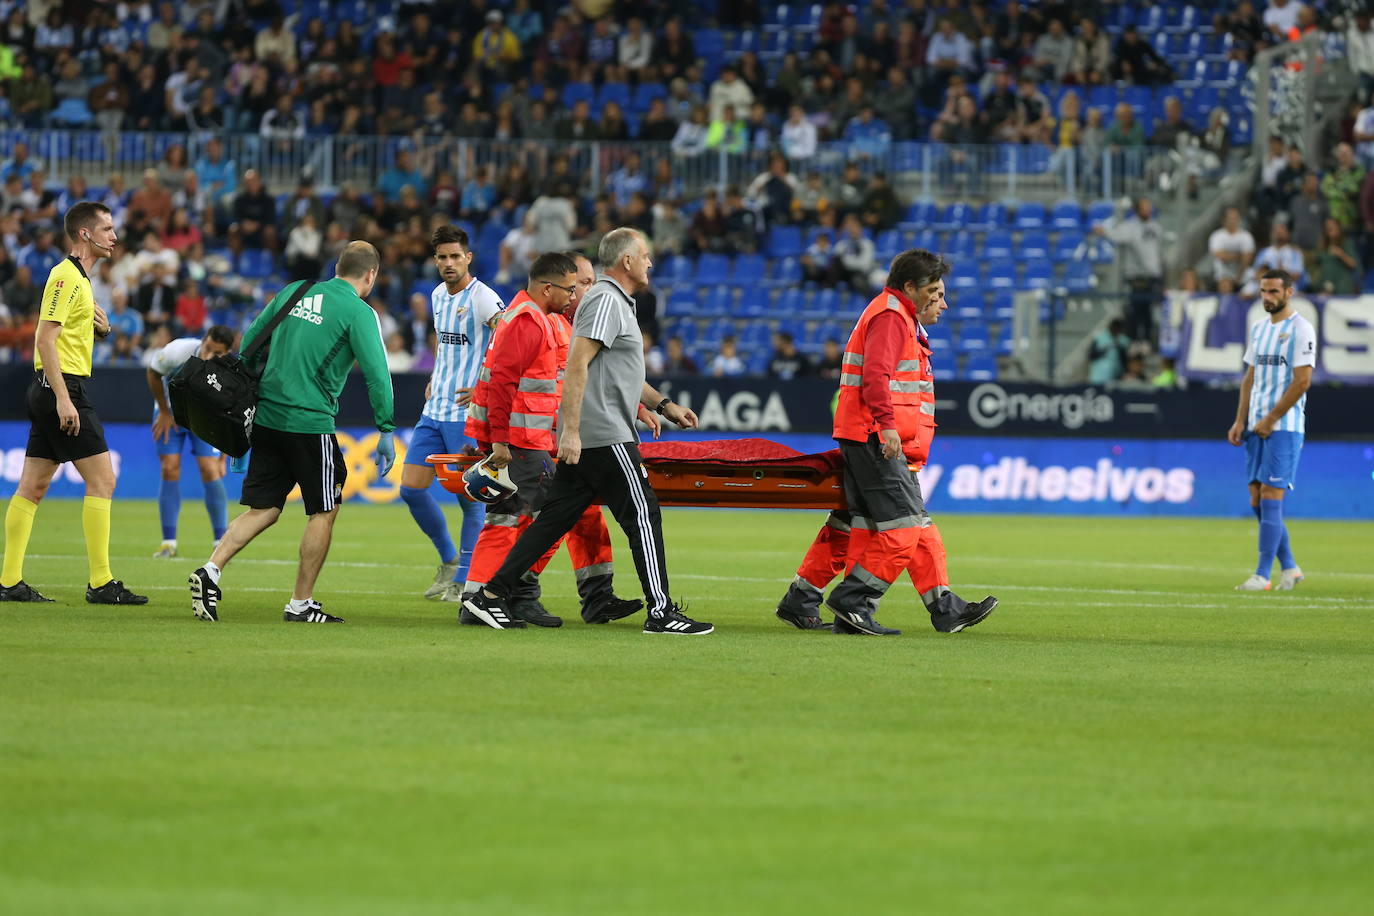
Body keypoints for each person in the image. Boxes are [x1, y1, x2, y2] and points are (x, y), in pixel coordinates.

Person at [461, 228, 714, 635]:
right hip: (604, 434)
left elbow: (615, 372)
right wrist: (572, 432)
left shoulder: (611, 302)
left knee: (553, 520)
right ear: (627, 261)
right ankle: (661, 611)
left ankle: (489, 595)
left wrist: (662, 406)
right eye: (645, 255)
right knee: (643, 516)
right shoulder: (606, 301)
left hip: (594, 431)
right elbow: (577, 365)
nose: (651, 262)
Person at [775, 254, 997, 634]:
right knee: (907, 526)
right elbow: (876, 375)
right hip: (876, 437)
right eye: (935, 293)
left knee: (860, 523)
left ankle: (808, 597)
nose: (942, 303)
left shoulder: (896, 316)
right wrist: (887, 425)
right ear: (910, 288)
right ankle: (854, 601)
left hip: (873, 434)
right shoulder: (893, 317)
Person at [187, 242, 396, 623]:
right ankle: (301, 604)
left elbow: (249, 342)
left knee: (264, 508)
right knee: (324, 509)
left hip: (266, 417)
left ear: (337, 266)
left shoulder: (294, 290)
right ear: (371, 276)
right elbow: (378, 376)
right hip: (310, 422)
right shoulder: (359, 312)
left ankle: (211, 568)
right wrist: (385, 427)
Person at [1, 202, 147, 605]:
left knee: (32, 487)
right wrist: (64, 399)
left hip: (53, 387)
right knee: (103, 481)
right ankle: (101, 582)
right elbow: (45, 338)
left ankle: (9, 581)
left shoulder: (81, 280)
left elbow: (64, 336)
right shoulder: (65, 277)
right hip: (61, 389)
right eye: (107, 228)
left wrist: (100, 330)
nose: (114, 236)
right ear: (85, 234)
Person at [398, 225, 505, 601]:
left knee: (469, 498)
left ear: (468, 258)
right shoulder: (437, 296)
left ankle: (465, 579)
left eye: (455, 256)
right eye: (442, 257)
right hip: (435, 407)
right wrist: (434, 375)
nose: (448, 263)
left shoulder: (484, 298)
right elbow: (448, 346)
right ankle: (448, 562)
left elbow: (508, 340)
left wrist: (484, 387)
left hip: (467, 415)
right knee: (410, 489)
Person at [1226, 269, 1315, 592]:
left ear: (1289, 292)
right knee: (1256, 499)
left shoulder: (1301, 329)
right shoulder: (1259, 329)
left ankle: (1262, 575)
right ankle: (1289, 567)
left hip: (1284, 427)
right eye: (1263, 291)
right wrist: (1241, 420)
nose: (1267, 297)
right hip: (1254, 425)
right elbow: (1249, 378)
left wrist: (1272, 418)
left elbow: (1302, 381)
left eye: (1274, 291)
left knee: (1270, 496)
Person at [145, 325, 236, 559]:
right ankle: (168, 543)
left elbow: (231, 414)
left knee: (210, 470)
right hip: (171, 416)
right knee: (169, 468)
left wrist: (224, 457)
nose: (209, 355)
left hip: (204, 420)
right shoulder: (178, 351)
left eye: (216, 353)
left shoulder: (229, 373)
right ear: (203, 340)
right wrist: (164, 411)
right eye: (207, 348)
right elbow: (153, 373)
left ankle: (220, 541)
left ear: (226, 353)